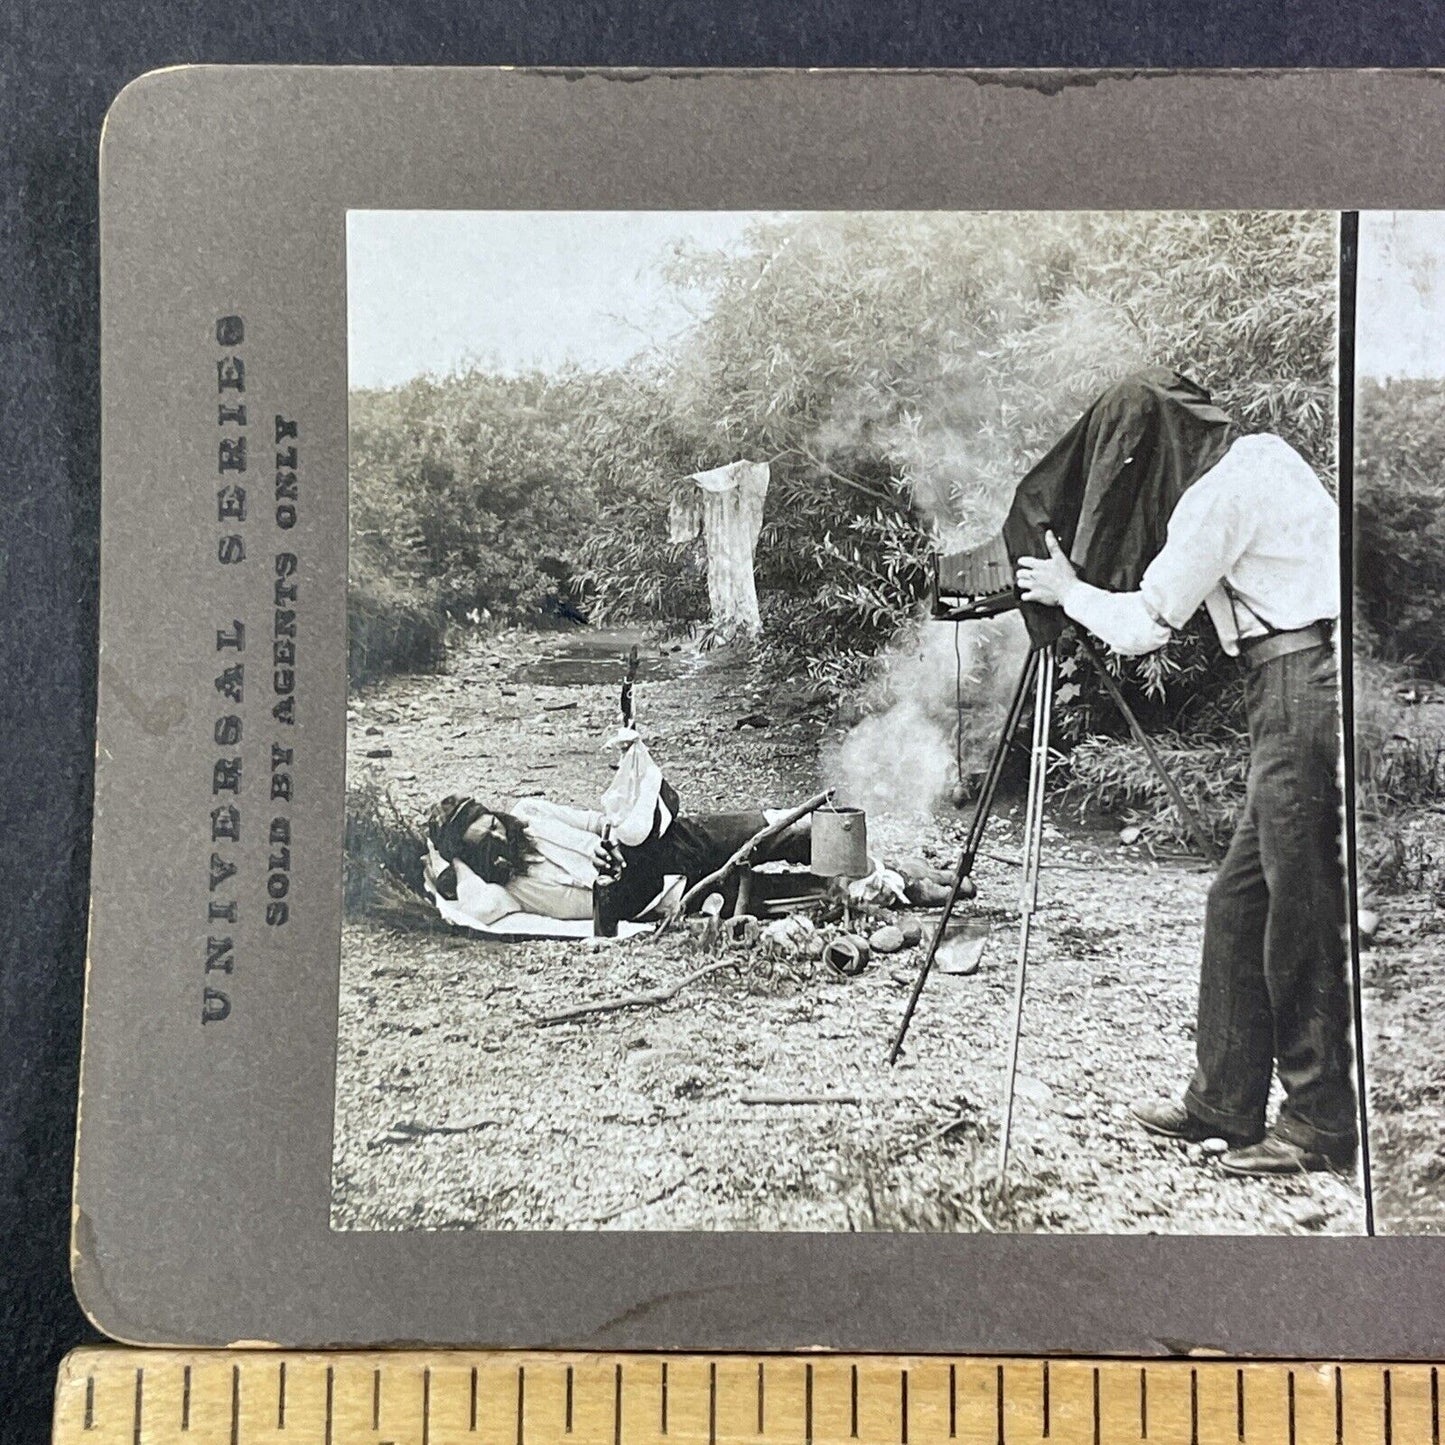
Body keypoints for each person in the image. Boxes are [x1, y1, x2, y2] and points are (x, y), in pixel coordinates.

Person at [1014, 372, 1357, 1177]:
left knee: (1299, 901)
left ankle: (1317, 1122)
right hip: (1313, 673)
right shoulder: (1263, 454)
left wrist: (1067, 590)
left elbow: (1141, 628)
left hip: (1302, 683)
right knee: (1239, 898)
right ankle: (1222, 1102)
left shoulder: (1213, 497)